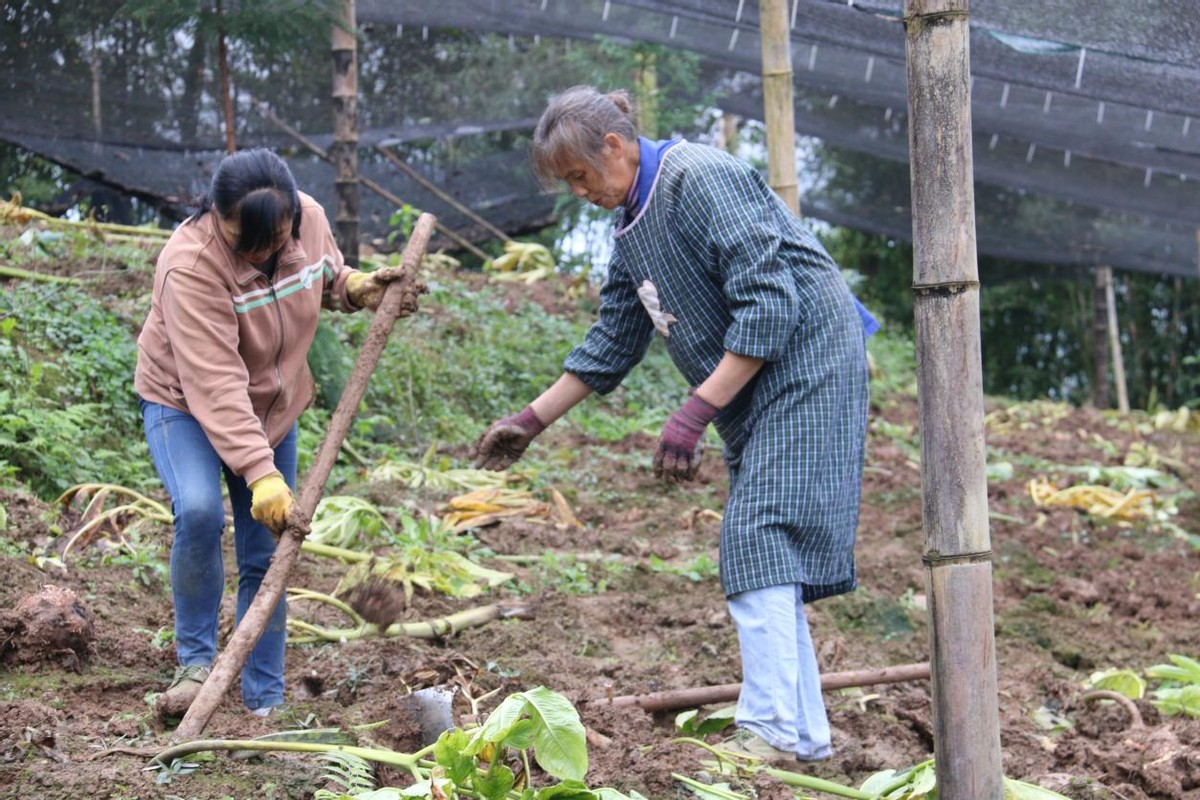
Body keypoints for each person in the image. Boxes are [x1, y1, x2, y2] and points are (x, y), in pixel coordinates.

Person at [473, 86, 877, 763]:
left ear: (615, 145)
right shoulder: (631, 223)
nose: (580, 192)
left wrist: (694, 413)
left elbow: (771, 305)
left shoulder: (698, 178)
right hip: (756, 387)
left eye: (581, 174)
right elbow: (615, 337)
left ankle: (772, 728)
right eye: (568, 183)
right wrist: (529, 421)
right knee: (765, 545)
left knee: (758, 531)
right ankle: (801, 736)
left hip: (808, 363)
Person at [135, 148, 419, 718]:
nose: (263, 252)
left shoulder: (308, 218)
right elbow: (215, 383)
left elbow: (324, 275)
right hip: (184, 402)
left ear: (292, 215)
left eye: (276, 238)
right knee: (199, 512)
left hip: (272, 408)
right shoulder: (189, 265)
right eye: (247, 240)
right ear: (217, 215)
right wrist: (259, 473)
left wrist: (354, 287)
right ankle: (195, 664)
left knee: (268, 552)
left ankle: (264, 698)